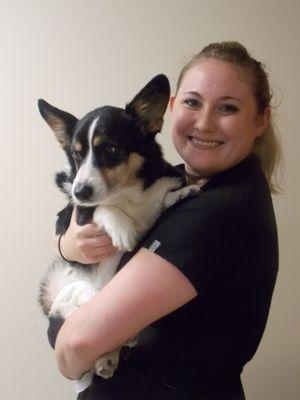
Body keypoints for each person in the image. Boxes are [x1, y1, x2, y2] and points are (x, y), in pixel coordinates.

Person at [51, 41, 280, 399]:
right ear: (171, 109)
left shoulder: (217, 211)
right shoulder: (180, 183)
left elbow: (77, 345)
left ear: (260, 119)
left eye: (228, 107)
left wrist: (63, 348)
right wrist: (68, 246)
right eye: (192, 102)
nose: (204, 123)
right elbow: (72, 218)